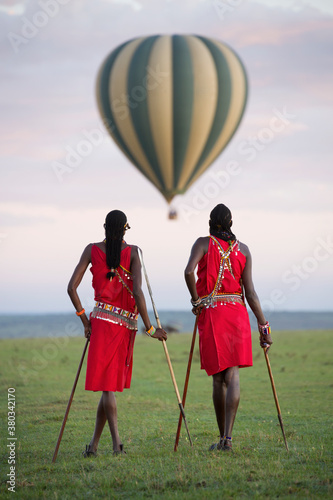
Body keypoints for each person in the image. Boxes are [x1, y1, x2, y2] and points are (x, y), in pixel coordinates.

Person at [67, 210, 167, 457]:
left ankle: (93, 447)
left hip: (101, 324)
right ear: (126, 228)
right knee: (108, 388)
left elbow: (71, 288)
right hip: (125, 327)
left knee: (106, 387)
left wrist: (84, 321)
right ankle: (117, 445)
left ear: (104, 226)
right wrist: (151, 328)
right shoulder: (134, 252)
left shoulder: (91, 250)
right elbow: (138, 293)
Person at [184, 204, 272, 452]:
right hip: (237, 314)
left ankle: (223, 437)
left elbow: (188, 271)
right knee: (232, 375)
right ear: (231, 223)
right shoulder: (243, 250)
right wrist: (263, 327)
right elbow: (251, 293)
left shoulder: (202, 243)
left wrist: (196, 300)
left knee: (218, 379)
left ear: (210, 222)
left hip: (213, 315)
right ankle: (228, 439)